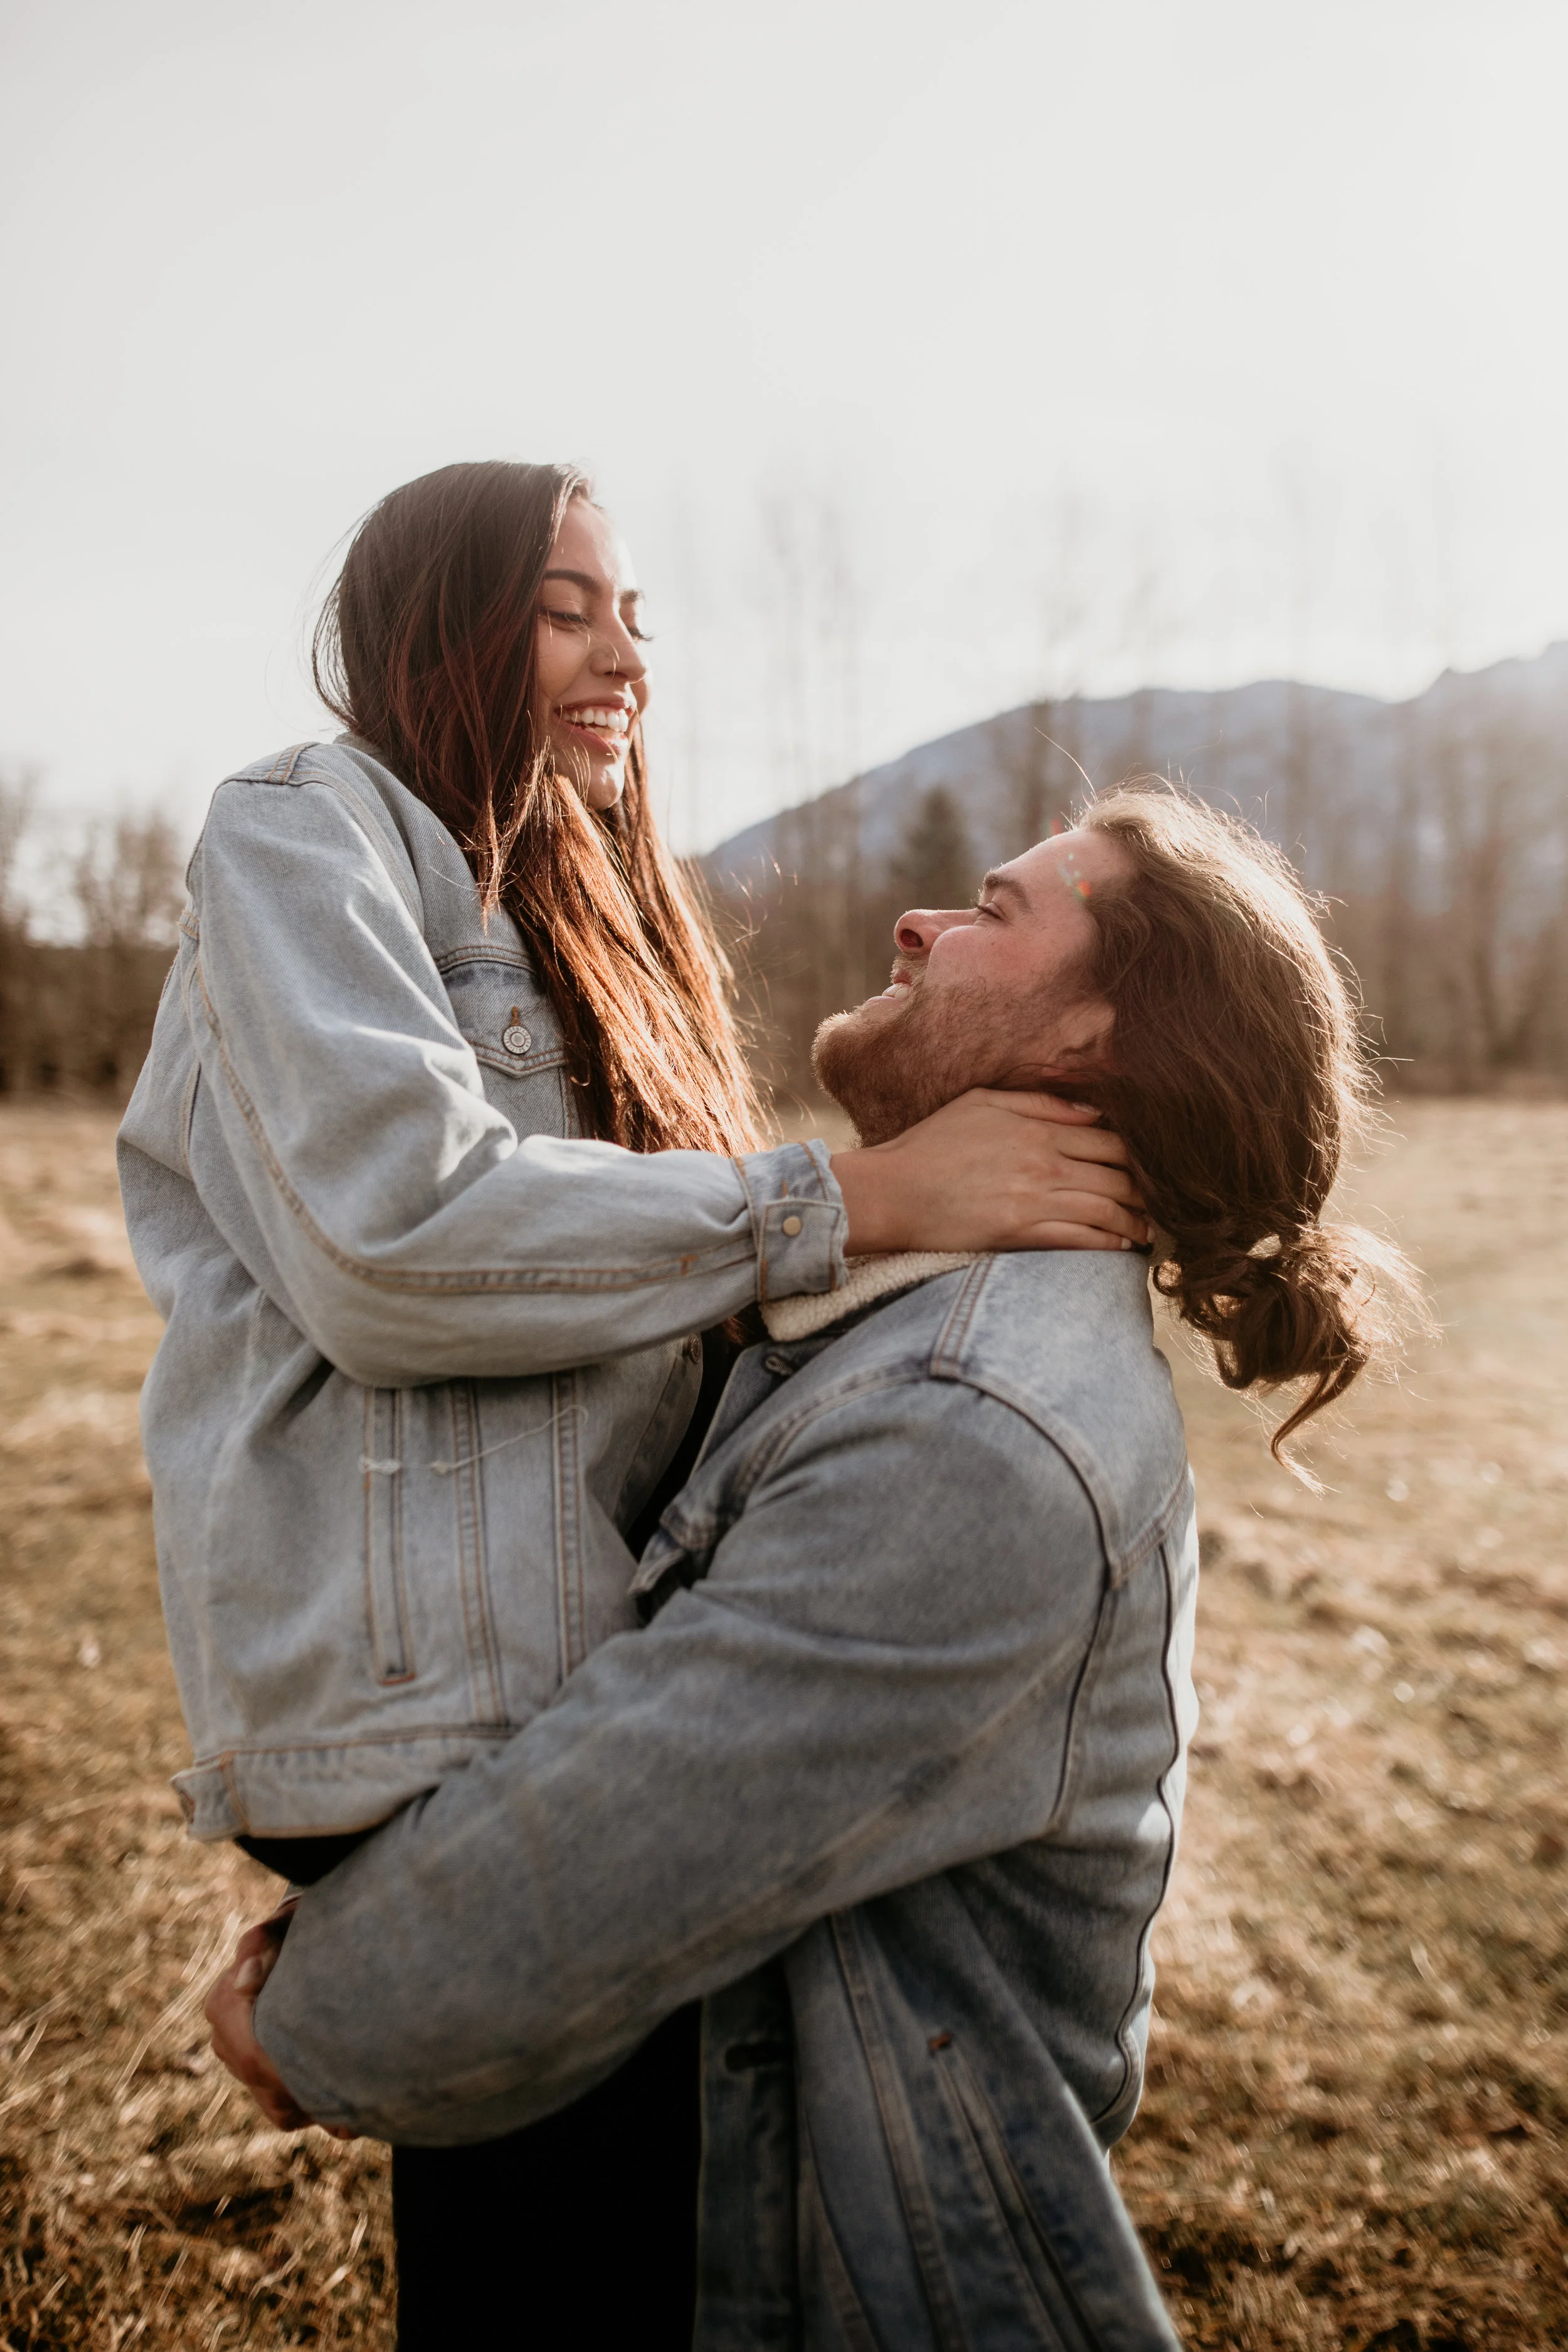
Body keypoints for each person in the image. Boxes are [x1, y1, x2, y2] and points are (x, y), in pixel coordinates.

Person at [117, 460, 1148, 2346]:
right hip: (439, 1692)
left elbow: (651, 1317)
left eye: (638, 616)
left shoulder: (602, 907)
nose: (622, 656)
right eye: (567, 604)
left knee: (636, 2239)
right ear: (432, 615)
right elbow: (395, 1241)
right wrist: (860, 1198)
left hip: (582, 1682)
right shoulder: (308, 828)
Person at [210, 786, 1418, 2349]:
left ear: (1090, 1044)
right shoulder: (904, 1316)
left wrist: (321, 2014)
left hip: (759, 2253)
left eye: (993, 910)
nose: (919, 920)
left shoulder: (967, 1428)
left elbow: (613, 1848)